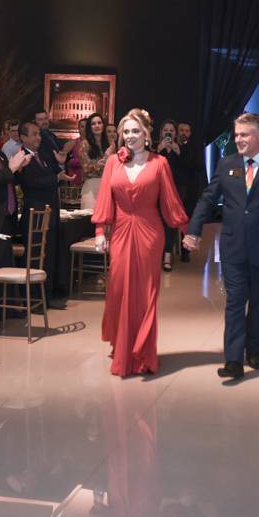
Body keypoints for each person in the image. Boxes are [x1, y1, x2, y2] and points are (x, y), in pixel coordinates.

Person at [184, 113, 259, 380]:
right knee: (235, 302)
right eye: (236, 134)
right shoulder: (227, 164)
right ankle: (233, 360)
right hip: (233, 247)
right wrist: (194, 229)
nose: (238, 139)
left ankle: (253, 348)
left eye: (244, 134)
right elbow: (207, 199)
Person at [93, 108, 189, 377]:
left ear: (147, 134)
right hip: (121, 232)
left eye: (136, 131)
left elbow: (170, 202)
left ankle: (144, 353)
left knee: (145, 294)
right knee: (119, 290)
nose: (130, 136)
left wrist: (187, 230)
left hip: (150, 233)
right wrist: (100, 231)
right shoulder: (114, 162)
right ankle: (123, 347)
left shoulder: (160, 163)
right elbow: (105, 198)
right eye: (126, 131)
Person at [15, 122, 75, 309]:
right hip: (36, 214)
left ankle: (48, 295)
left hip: (51, 212)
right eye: (34, 134)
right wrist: (55, 178)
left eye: (39, 134)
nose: (38, 138)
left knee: (50, 255)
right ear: (23, 138)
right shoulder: (21, 158)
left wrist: (61, 171)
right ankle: (34, 298)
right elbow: (30, 182)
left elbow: (56, 174)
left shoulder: (44, 154)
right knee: (37, 256)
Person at [156, 119, 185, 272]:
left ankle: (167, 255)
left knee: (170, 223)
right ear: (161, 133)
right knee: (156, 222)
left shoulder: (180, 148)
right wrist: (159, 150)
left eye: (171, 130)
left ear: (175, 134)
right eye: (165, 130)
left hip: (174, 192)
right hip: (157, 191)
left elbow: (186, 171)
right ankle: (157, 254)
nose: (168, 132)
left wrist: (178, 153)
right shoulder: (154, 148)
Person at [176, 121, 207, 263]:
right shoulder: (170, 145)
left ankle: (185, 251)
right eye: (181, 130)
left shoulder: (195, 148)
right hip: (173, 188)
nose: (184, 133)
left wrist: (181, 153)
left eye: (186, 131)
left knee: (186, 220)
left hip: (189, 190)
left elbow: (198, 165)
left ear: (190, 133)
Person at [78, 113, 112, 209]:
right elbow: (86, 169)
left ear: (103, 125)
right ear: (90, 127)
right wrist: (104, 158)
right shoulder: (84, 144)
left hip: (108, 185)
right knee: (89, 217)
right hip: (91, 185)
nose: (97, 126)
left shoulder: (110, 144)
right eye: (93, 124)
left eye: (99, 123)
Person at [65, 117, 88, 186]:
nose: (85, 129)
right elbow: (65, 161)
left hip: (90, 179)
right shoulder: (72, 143)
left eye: (87, 126)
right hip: (75, 179)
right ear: (78, 128)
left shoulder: (95, 144)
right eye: (82, 126)